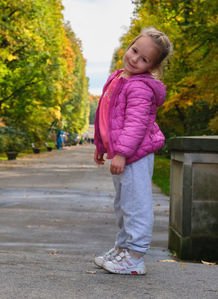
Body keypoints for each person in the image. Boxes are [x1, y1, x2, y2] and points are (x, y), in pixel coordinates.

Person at [93, 27, 172, 275]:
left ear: (154, 67)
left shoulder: (139, 87)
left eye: (144, 59)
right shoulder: (119, 77)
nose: (134, 58)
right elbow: (107, 116)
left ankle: (136, 256)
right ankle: (124, 247)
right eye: (134, 50)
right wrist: (102, 146)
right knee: (123, 203)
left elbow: (135, 125)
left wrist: (122, 154)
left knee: (136, 204)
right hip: (122, 154)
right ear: (130, 45)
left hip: (135, 155)